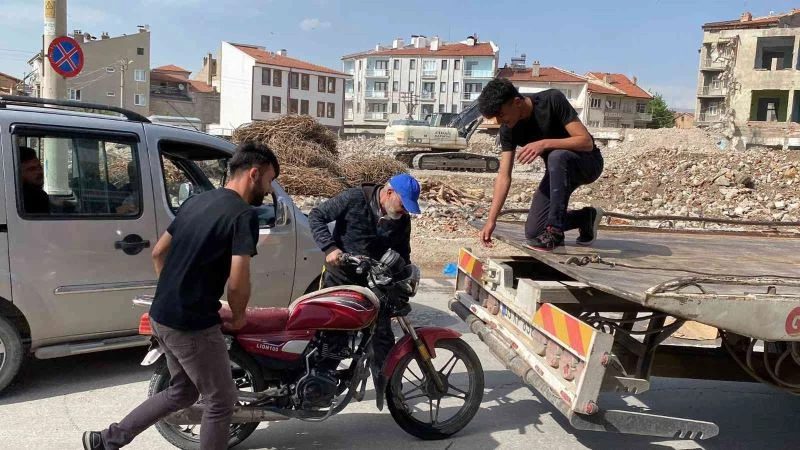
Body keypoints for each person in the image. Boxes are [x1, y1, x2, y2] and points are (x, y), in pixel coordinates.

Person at [82, 141, 280, 450]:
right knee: (220, 400)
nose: (269, 190)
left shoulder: (196, 202)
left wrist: (175, 291)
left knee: (183, 392)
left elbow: (159, 252)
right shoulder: (242, 216)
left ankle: (107, 440)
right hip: (192, 323)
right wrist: (239, 316)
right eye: (269, 180)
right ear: (254, 173)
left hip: (163, 315)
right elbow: (239, 281)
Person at [307, 173, 420, 405]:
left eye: (407, 209)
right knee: (332, 337)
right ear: (388, 193)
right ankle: (317, 387)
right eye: (402, 205)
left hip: (376, 286)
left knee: (383, 338)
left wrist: (403, 278)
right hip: (341, 280)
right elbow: (317, 216)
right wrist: (330, 248)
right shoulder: (353, 198)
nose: (404, 212)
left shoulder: (401, 219)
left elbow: (402, 253)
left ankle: (390, 391)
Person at [477, 78, 604, 251]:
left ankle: (555, 232)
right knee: (534, 231)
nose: (500, 122)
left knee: (556, 156)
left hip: (587, 164)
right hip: (557, 172)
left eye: (501, 115)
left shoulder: (552, 100)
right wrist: (491, 220)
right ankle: (585, 217)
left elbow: (586, 142)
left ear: (517, 102)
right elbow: (504, 176)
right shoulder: (508, 128)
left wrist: (543, 144)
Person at [19, 146, 50, 214]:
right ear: (18, 173)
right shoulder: (34, 198)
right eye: (32, 169)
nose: (39, 172)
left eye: (40, 167)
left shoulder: (38, 194)